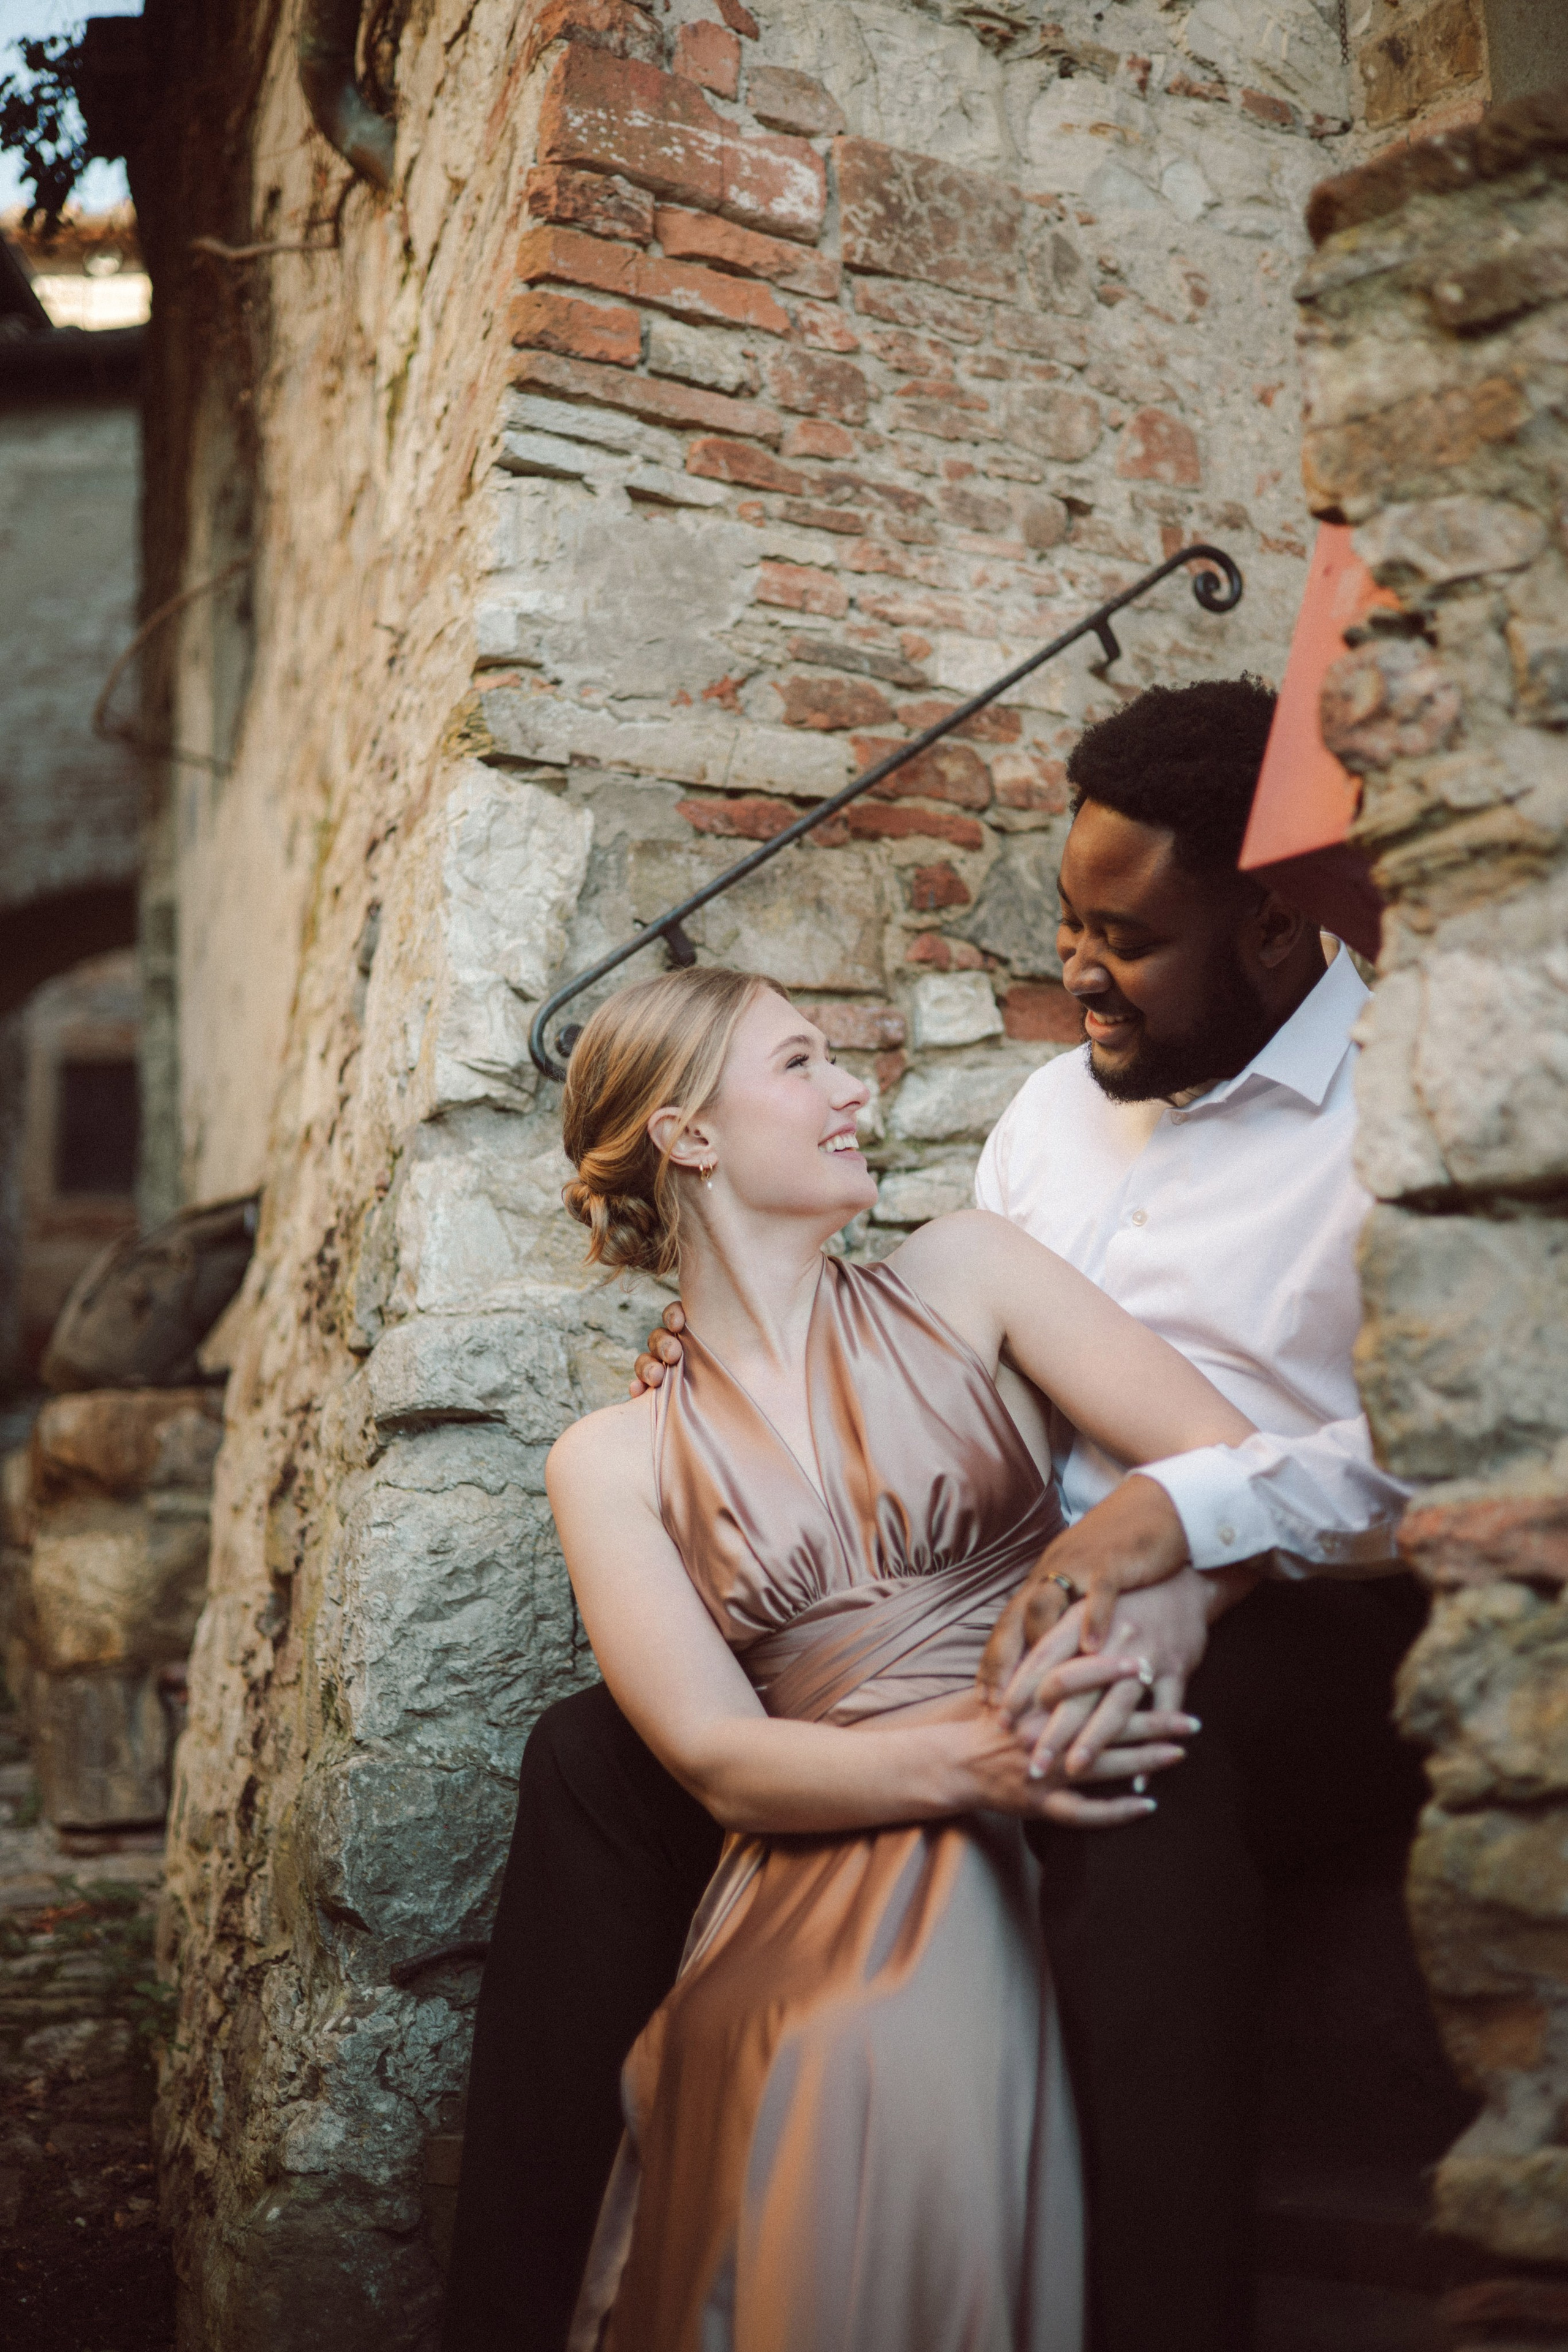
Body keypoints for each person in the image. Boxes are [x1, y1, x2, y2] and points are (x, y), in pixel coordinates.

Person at [442, 677, 1421, 2352]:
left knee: (1137, 1768)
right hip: (1006, 1588)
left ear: (1269, 927)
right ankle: (517, 2310)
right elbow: (919, 1389)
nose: (1078, 970)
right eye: (1068, 924)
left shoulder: (1398, 1117)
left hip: (1296, 1576)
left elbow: (1397, 1457)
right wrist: (732, 1414)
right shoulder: (1049, 1116)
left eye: (1125, 938)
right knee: (584, 1757)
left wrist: (1169, 1554)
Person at [540, 962, 1253, 2350]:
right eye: (800, 1063)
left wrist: (1160, 1613)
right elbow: (718, 1758)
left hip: (1037, 1736)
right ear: (689, 1135)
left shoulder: (967, 1273)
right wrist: (977, 1764)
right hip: (824, 1828)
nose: (852, 1092)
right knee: (760, 2037)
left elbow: (1231, 1466)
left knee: (869, 2040)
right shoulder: (609, 1459)